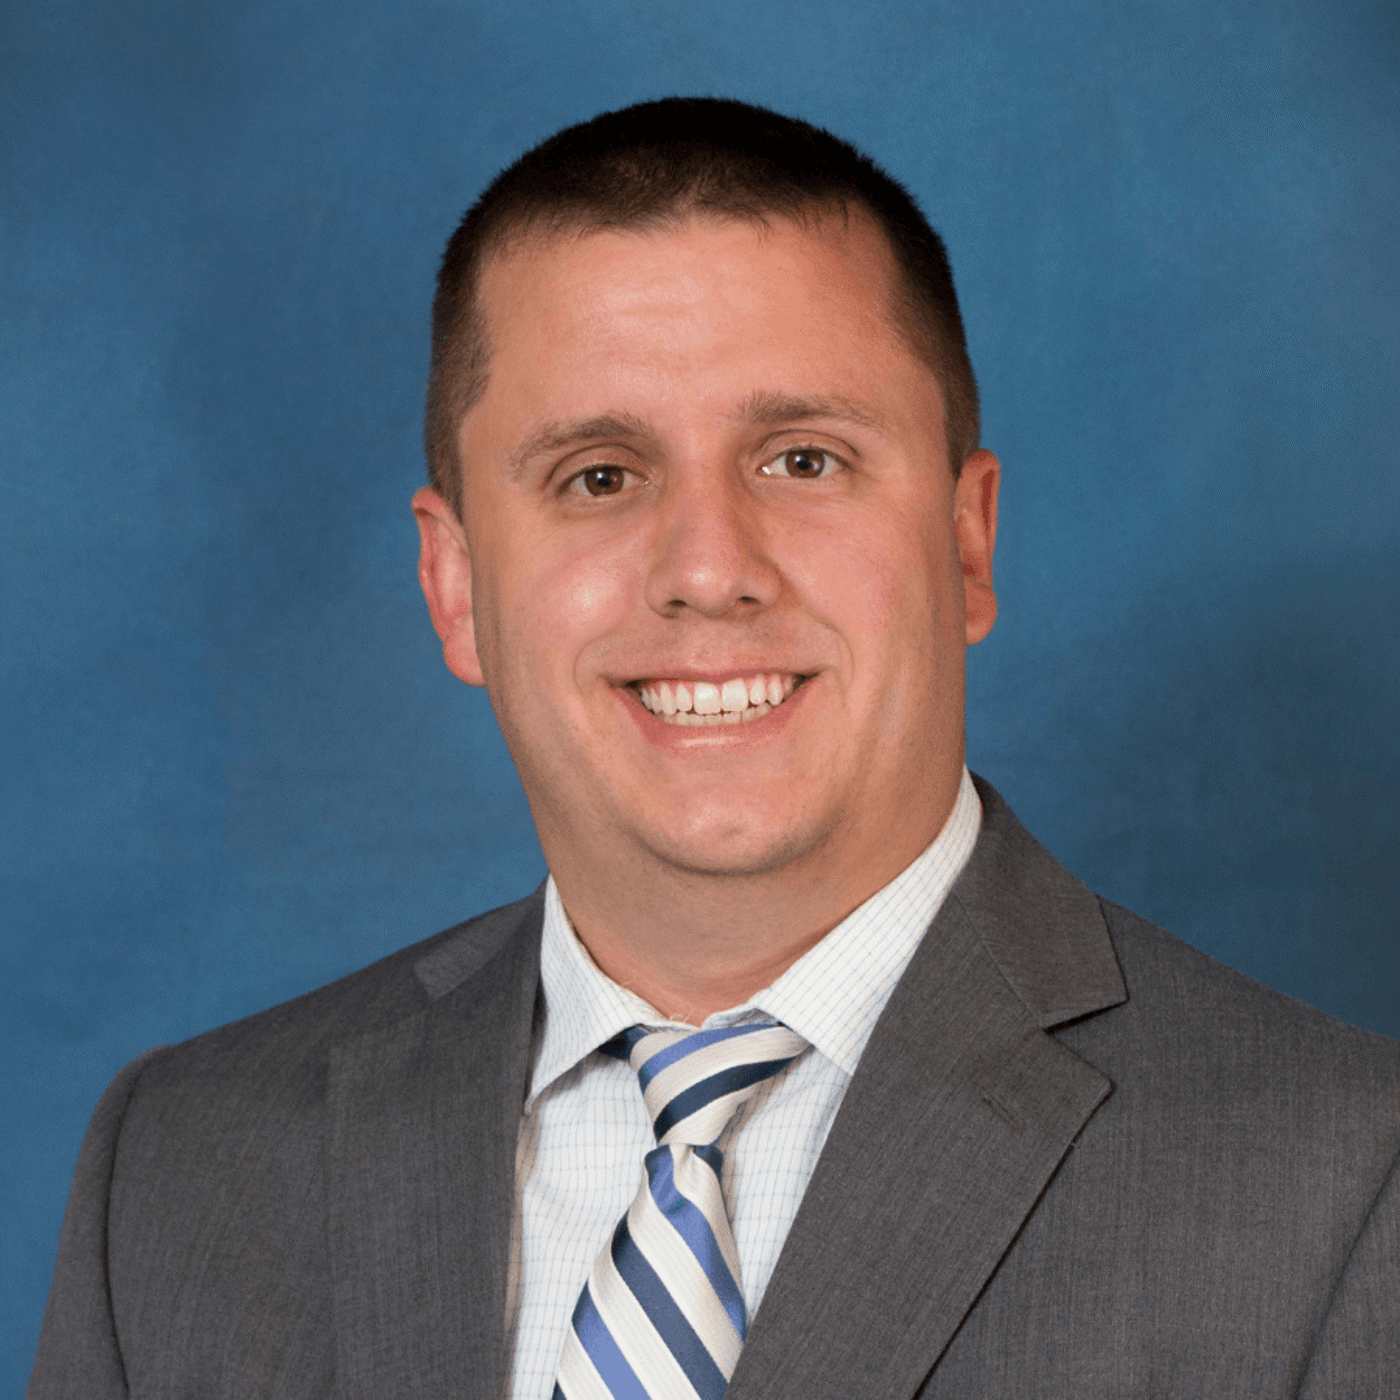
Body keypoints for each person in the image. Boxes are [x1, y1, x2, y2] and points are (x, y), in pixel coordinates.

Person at [29, 98, 1400, 1399]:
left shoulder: (1342, 1183)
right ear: (456, 586)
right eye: (600, 477)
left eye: (802, 459)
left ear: (966, 542)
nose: (707, 570)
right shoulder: (179, 1170)